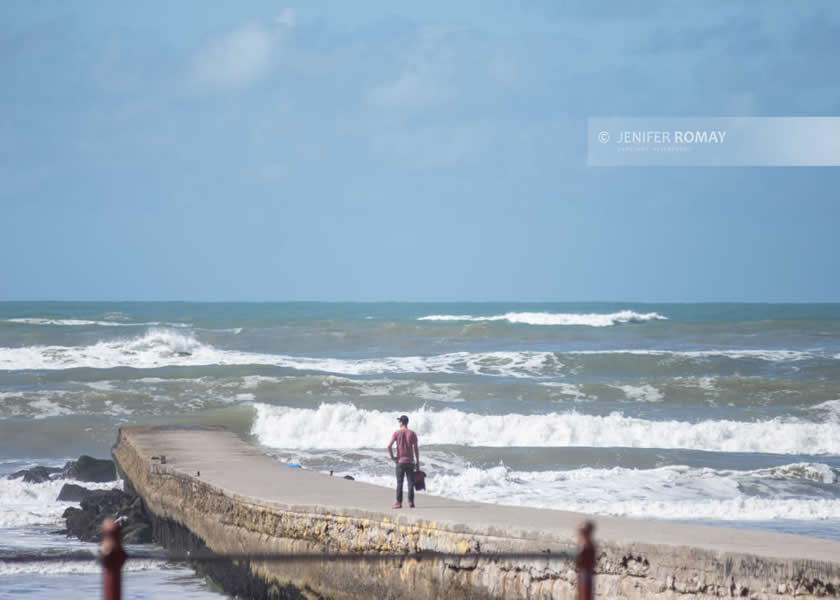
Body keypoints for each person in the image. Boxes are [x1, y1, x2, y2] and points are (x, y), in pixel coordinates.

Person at [387, 414, 419, 508]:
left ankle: (398, 502)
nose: (399, 423)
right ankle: (411, 502)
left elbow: (389, 446)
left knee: (399, 482)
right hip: (410, 462)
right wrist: (417, 462)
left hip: (400, 461)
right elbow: (416, 449)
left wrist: (393, 457)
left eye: (399, 421)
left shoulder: (397, 433)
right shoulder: (412, 433)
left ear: (401, 422)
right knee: (410, 483)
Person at [575, 520, 596, 600]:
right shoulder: (585, 543)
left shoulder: (588, 544)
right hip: (583, 572)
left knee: (585, 592)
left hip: (585, 573)